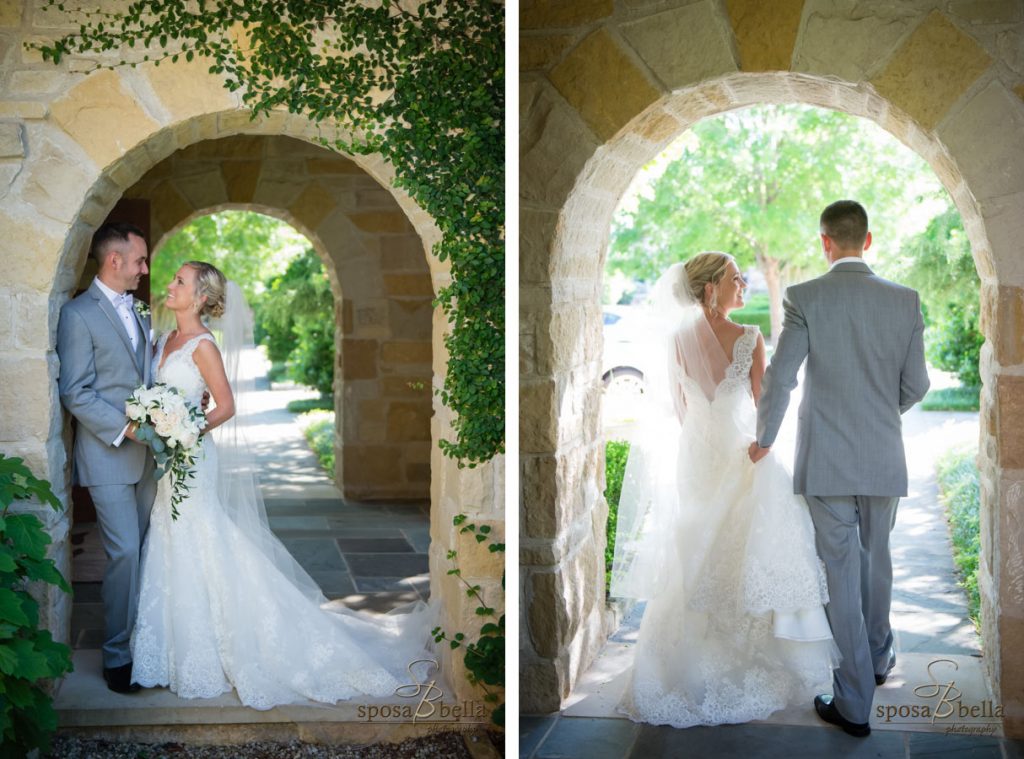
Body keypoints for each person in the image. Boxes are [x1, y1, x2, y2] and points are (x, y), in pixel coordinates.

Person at [129, 261, 433, 708]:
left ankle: (227, 647)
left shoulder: (202, 345)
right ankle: (172, 652)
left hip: (191, 458)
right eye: (173, 279)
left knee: (199, 537)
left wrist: (183, 433)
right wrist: (158, 430)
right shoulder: (161, 339)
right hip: (168, 459)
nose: (169, 285)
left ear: (201, 299)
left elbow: (225, 405)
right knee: (171, 538)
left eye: (180, 282)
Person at [611, 251, 837, 728]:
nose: (745, 286)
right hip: (742, 455)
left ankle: (690, 653)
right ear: (711, 285)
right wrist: (763, 444)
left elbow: (677, 408)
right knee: (743, 551)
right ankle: (740, 651)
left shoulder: (674, 340)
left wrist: (705, 432)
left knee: (695, 551)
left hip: (695, 456)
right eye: (736, 278)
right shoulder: (749, 338)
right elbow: (763, 402)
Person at [750, 200, 930, 737]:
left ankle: (854, 701)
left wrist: (764, 439)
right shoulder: (905, 300)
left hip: (825, 460)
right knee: (877, 562)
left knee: (841, 573)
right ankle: (878, 657)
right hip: (883, 456)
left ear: (824, 242)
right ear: (867, 241)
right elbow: (917, 384)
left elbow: (781, 379)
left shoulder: (805, 297)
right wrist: (881, 415)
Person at [57, 222, 156, 694]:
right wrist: (127, 428)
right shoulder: (78, 314)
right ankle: (118, 657)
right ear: (114, 260)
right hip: (108, 453)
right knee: (124, 555)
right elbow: (75, 391)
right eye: (139, 260)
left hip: (151, 456)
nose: (145, 268)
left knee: (148, 551)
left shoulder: (141, 312)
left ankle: (148, 642)